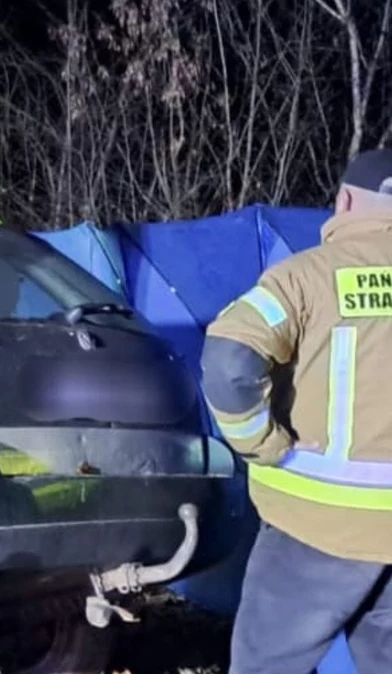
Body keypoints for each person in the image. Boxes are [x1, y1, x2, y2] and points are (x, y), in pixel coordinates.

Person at [202, 148, 392, 674]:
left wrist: (261, 443)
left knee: (267, 662)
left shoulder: (306, 278)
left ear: (347, 199)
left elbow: (228, 361)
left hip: (319, 528)